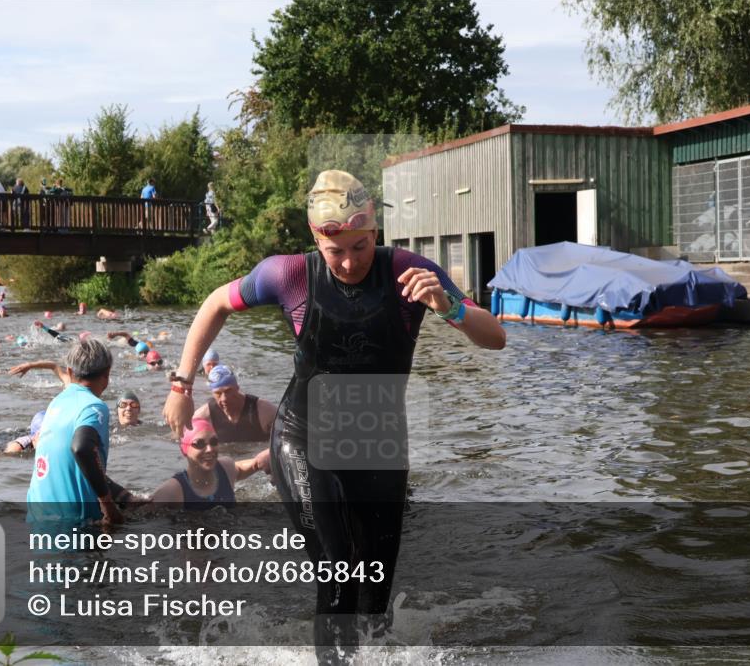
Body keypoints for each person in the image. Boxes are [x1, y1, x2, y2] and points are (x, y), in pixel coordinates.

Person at [163, 170, 506, 661]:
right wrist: (181, 384)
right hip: (303, 438)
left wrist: (448, 305)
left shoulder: (409, 270)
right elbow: (216, 302)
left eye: (360, 248)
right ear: (316, 242)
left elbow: (495, 337)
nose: (348, 262)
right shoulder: (290, 274)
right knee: (339, 567)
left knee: (376, 592)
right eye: (336, 252)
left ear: (375, 235)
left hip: (379, 445)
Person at [26, 339, 131, 525]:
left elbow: (78, 465)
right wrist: (107, 504)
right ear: (107, 375)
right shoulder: (94, 406)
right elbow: (81, 448)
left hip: (37, 515)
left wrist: (124, 496)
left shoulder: (56, 402)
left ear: (69, 372)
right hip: (76, 522)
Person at [148, 418, 270, 510]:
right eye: (199, 444)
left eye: (214, 442)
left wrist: (261, 461)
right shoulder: (173, 490)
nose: (209, 449)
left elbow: (240, 468)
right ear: (184, 450)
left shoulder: (226, 468)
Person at [193, 365, 276, 443]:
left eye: (228, 391)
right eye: (218, 393)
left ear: (237, 388)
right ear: (212, 393)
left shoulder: (264, 411)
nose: (224, 398)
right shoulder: (203, 417)